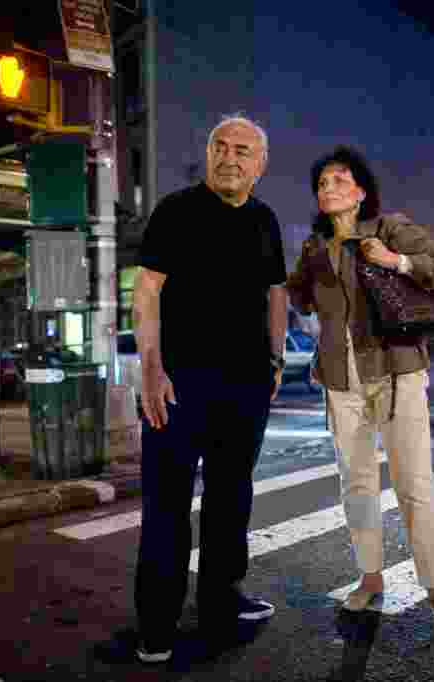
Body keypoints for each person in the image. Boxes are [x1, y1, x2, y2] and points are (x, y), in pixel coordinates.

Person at [286, 146, 434, 651]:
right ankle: (371, 577)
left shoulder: (389, 228)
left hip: (397, 373)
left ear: (361, 191)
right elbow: (297, 294)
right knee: (357, 485)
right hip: (340, 381)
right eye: (322, 183)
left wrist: (395, 260)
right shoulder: (314, 249)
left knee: (416, 487)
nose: (329, 188)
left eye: (339, 180)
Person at [127, 114, 287, 663]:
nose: (230, 157)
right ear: (208, 152)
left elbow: (275, 291)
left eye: (243, 150)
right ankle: (156, 626)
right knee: (167, 505)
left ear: (260, 165)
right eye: (221, 146)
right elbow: (147, 290)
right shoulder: (176, 211)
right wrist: (150, 365)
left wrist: (275, 357)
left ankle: (221, 602)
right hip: (178, 384)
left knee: (230, 500)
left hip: (244, 387)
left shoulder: (265, 221)